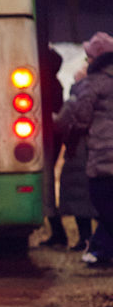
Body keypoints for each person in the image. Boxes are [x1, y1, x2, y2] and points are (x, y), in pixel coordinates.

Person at [56, 31, 113, 267]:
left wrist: (74, 93)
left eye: (89, 56)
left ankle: (100, 250)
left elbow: (79, 117)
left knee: (103, 204)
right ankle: (100, 249)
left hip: (103, 155)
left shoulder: (92, 84)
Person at [58, 66, 97, 252]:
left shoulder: (75, 100)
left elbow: (60, 122)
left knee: (79, 200)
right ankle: (90, 239)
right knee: (89, 199)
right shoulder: (100, 97)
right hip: (92, 152)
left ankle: (85, 239)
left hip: (77, 156)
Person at [39, 45, 68, 246]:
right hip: (53, 139)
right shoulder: (56, 83)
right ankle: (57, 231)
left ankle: (57, 232)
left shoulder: (47, 84)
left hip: (47, 139)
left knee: (47, 185)